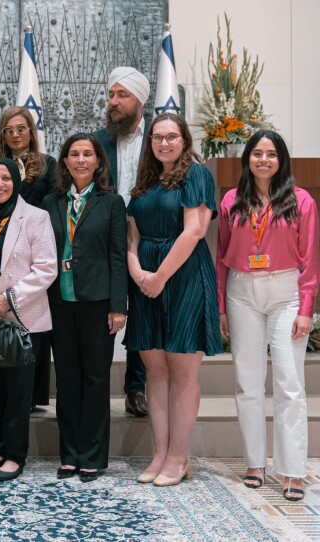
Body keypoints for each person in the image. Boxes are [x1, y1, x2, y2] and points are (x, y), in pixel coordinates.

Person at [216, 130, 318, 502]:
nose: (263, 160)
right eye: (257, 153)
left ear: (281, 160)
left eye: (271, 154)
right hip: (242, 291)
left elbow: (310, 261)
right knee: (248, 381)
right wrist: (222, 307)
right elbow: (222, 257)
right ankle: (254, 463)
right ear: (248, 159)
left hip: (286, 292)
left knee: (290, 382)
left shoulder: (300, 200)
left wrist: (306, 309)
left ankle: (292, 470)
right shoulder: (231, 200)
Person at [124, 112, 222, 487]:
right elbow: (132, 234)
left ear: (184, 140)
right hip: (147, 279)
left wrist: (160, 276)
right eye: (157, 137)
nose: (164, 143)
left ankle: (180, 457)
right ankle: (161, 452)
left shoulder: (196, 174)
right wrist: (138, 273)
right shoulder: (145, 181)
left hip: (181, 278)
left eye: (171, 137)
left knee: (182, 372)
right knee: (155, 370)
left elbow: (195, 231)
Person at [43, 134, 127, 483]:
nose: (80, 160)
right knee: (66, 381)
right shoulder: (51, 202)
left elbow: (118, 258)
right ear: (64, 161)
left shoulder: (111, 203)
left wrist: (118, 306)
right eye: (73, 154)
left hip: (96, 303)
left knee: (95, 379)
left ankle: (92, 456)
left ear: (98, 162)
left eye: (87, 154)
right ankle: (70, 455)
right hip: (59, 302)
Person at [0, 158, 57, 482]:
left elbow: (47, 268)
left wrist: (10, 298)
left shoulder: (35, 217)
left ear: (16, 182)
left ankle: (16, 455)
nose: (0, 184)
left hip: (20, 317)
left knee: (18, 390)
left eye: (6, 178)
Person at [93, 67, 152, 419]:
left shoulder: (160, 137)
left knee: (142, 318)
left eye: (121, 96)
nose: (113, 102)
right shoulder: (97, 142)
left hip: (147, 243)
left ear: (139, 101)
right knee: (107, 314)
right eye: (111, 95)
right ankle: (97, 387)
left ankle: (136, 389)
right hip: (106, 244)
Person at [0, 105, 55, 411]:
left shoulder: (47, 165)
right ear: (2, 134)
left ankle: (32, 396)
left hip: (36, 246)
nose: (16, 135)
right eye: (10, 130)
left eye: (21, 129)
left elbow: (52, 205)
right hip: (2, 250)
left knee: (33, 322)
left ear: (31, 131)